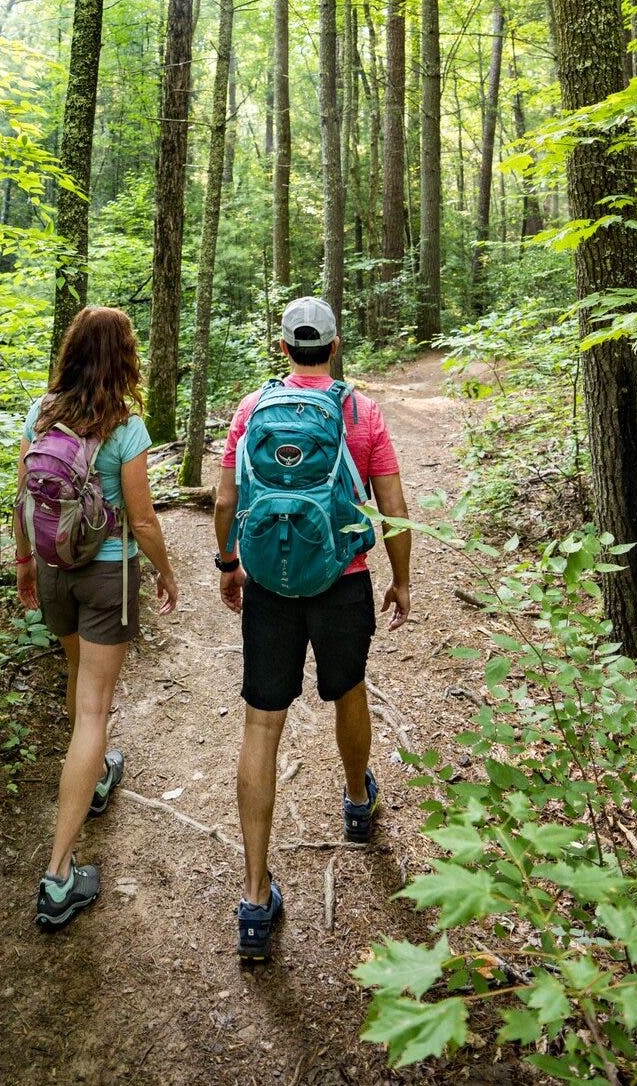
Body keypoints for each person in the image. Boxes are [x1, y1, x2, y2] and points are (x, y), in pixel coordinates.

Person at [214, 297, 411, 960]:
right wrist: (401, 579)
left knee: (261, 724)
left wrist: (229, 564)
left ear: (283, 347)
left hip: (269, 581)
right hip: (342, 578)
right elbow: (394, 507)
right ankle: (357, 801)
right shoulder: (360, 412)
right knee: (348, 690)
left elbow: (225, 500)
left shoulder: (250, 409)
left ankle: (252, 895)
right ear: (333, 344)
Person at [14, 306, 179, 929]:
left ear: (73, 351)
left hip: (56, 568)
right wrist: (165, 572)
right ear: (125, 357)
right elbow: (141, 519)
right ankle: (58, 877)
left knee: (77, 681)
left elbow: (23, 498)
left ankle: (99, 769)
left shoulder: (42, 411)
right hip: (108, 571)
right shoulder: (126, 427)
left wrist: (26, 565)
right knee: (94, 710)